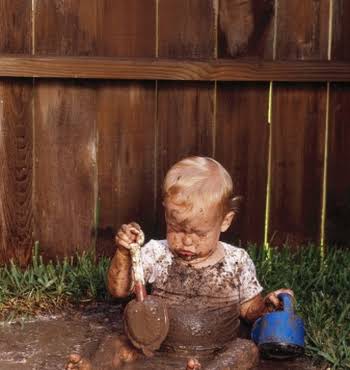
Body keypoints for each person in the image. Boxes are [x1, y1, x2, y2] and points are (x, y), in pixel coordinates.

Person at [67, 156, 293, 370]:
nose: (186, 241)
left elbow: (249, 310)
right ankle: (93, 366)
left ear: (225, 221)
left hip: (217, 350)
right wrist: (125, 254)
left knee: (246, 350)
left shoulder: (236, 261)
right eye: (176, 229)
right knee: (115, 341)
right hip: (154, 347)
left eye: (199, 234)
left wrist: (266, 307)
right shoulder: (158, 253)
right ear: (166, 214)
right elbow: (118, 290)